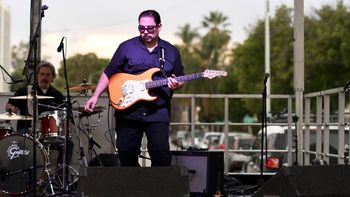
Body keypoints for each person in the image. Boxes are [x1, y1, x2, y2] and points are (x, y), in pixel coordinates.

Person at [85, 10, 184, 166]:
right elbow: (109, 72)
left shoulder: (171, 51)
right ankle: (135, 186)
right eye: (141, 28)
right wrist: (95, 95)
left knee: (160, 153)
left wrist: (177, 84)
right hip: (128, 111)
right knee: (125, 152)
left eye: (150, 28)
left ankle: (158, 188)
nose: (145, 32)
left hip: (158, 111)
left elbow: (179, 78)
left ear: (159, 27)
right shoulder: (126, 47)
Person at [6, 60, 74, 165]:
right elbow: (9, 105)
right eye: (42, 74)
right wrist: (11, 109)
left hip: (49, 134)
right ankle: (23, 176)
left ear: (52, 78)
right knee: (18, 141)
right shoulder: (25, 91)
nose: (44, 77)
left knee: (68, 143)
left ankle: (59, 177)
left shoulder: (58, 95)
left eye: (48, 75)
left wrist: (65, 129)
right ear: (37, 76)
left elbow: (67, 116)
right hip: (26, 131)